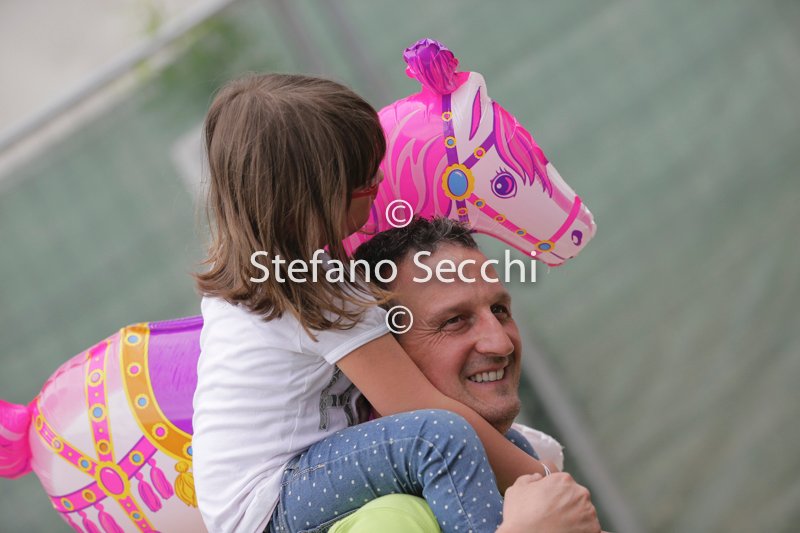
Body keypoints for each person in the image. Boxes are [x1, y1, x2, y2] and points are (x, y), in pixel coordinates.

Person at [191, 73, 557, 533]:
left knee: (506, 444)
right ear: (313, 200)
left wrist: (528, 465)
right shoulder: (315, 292)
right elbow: (420, 405)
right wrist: (547, 484)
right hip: (269, 503)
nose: (382, 179)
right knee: (439, 437)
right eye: (366, 182)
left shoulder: (253, 278)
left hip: (279, 489)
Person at [338, 216, 601, 533]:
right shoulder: (388, 519)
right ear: (384, 359)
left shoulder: (534, 460)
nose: (501, 343)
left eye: (499, 310)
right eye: (454, 321)